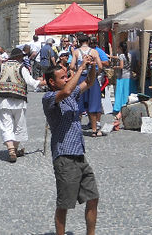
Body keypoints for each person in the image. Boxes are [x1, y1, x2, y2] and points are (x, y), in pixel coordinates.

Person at [43, 58, 100, 235]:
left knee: (93, 198)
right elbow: (67, 90)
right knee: (64, 204)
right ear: (52, 82)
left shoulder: (71, 93)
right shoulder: (49, 98)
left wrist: (91, 68)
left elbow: (89, 82)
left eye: (67, 76)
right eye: (63, 77)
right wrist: (80, 67)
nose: (67, 79)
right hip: (64, 157)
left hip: (79, 154)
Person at [0, 47, 43, 162]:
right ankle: (14, 149)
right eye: (21, 57)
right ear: (18, 57)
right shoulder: (21, 67)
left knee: (6, 126)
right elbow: (32, 83)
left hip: (4, 101)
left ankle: (12, 150)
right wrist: (45, 82)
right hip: (19, 101)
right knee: (19, 126)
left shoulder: (1, 66)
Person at [70, 34, 105, 137]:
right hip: (92, 78)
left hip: (81, 78)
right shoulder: (94, 52)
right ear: (88, 41)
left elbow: (72, 66)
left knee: (79, 103)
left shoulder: (76, 52)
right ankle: (95, 130)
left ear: (79, 42)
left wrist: (77, 71)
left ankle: (77, 129)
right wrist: (96, 73)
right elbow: (100, 66)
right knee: (94, 102)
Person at [111, 41, 133, 115]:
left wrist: (115, 67)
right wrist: (111, 56)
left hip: (122, 76)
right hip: (129, 76)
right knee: (127, 92)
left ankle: (119, 108)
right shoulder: (130, 55)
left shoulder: (121, 56)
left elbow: (121, 66)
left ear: (120, 48)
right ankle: (127, 105)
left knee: (120, 92)